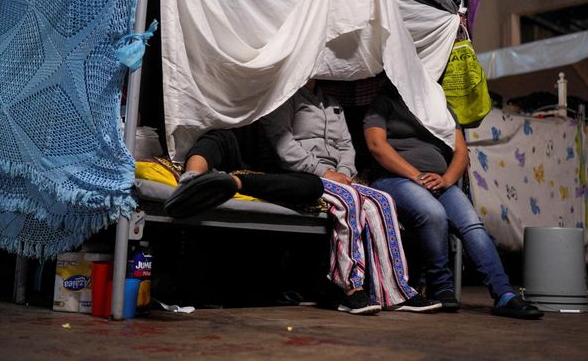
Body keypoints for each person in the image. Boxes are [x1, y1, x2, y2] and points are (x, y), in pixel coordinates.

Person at [261, 79, 441, 315]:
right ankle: (347, 287)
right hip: (301, 175)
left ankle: (394, 291)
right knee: (349, 199)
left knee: (381, 200)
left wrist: (344, 174)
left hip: (338, 177)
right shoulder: (283, 97)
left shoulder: (332, 103)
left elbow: (346, 146)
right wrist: (323, 172)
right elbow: (283, 146)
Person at [363, 86, 543, 319]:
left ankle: (504, 294)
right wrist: (416, 175)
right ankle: (441, 285)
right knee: (433, 213)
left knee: (472, 224)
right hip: (395, 178)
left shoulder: (441, 107)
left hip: (438, 181)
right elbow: (376, 145)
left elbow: (461, 152)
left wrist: (446, 179)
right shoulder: (384, 102)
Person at [163, 125, 325, 218]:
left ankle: (232, 182)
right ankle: (191, 180)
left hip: (272, 171)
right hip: (240, 151)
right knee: (221, 139)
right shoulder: (237, 133)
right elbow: (215, 142)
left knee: (314, 185)